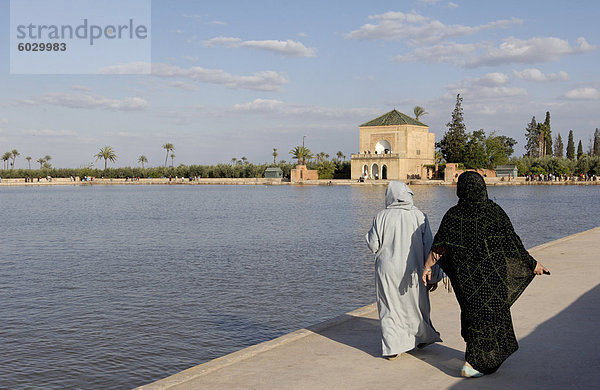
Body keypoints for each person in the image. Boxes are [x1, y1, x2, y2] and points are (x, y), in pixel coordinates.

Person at [422, 171, 549, 378]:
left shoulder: (453, 215)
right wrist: (533, 264)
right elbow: (512, 243)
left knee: (474, 315)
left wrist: (427, 268)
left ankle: (475, 358)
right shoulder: (494, 212)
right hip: (492, 276)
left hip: (466, 279)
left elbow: (439, 248)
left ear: (461, 189)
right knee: (491, 316)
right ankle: (473, 363)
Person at [367, 181, 443, 360]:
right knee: (416, 304)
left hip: (387, 269)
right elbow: (429, 247)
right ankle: (422, 337)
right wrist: (432, 273)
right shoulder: (419, 216)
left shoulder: (381, 216)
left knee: (390, 307)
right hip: (414, 269)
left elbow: (373, 245)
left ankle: (393, 347)